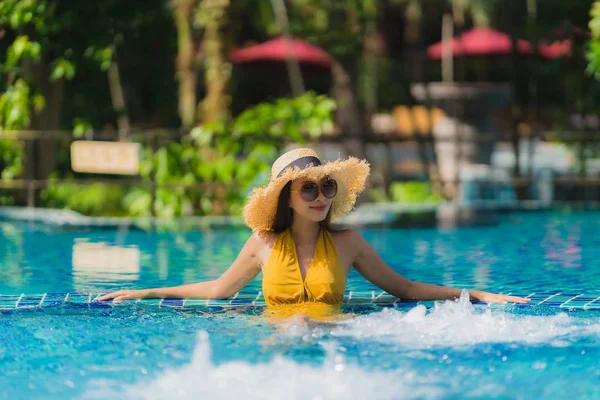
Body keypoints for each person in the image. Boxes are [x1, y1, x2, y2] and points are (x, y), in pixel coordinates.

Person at [97, 148, 529, 313]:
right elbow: (217, 290)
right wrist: (143, 293)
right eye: (308, 188)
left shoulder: (349, 243)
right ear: (286, 197)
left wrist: (477, 295)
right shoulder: (263, 243)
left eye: (326, 186)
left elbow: (408, 289)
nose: (320, 196)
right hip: (277, 354)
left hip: (334, 351)